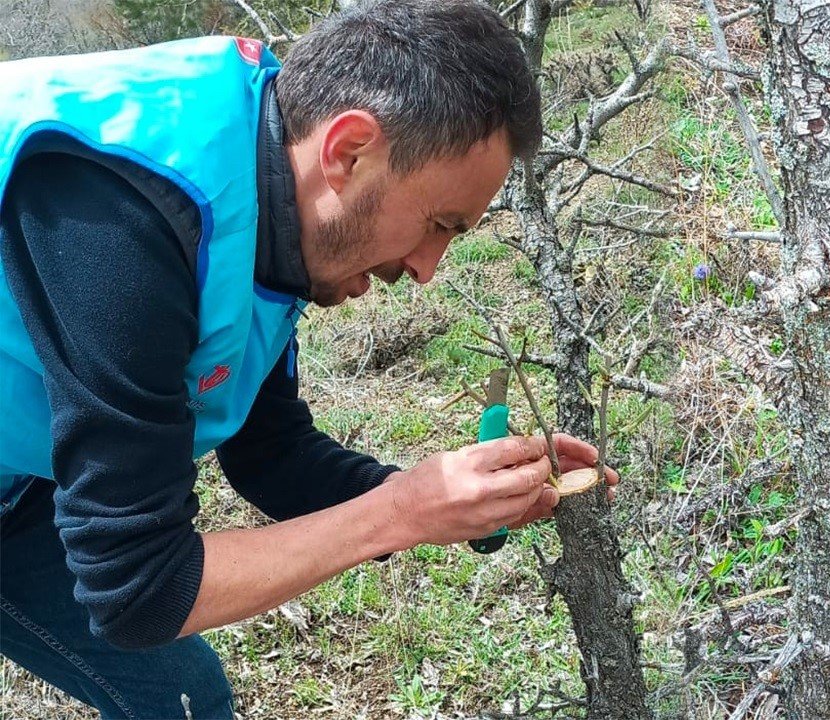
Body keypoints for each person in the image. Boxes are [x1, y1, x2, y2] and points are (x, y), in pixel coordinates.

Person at [0, 1, 616, 717]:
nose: (426, 269)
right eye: (438, 225)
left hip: (23, 476)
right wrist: (402, 512)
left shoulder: (268, 177)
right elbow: (138, 590)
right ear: (348, 151)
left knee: (181, 696)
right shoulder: (124, 213)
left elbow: (271, 453)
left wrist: (454, 500)